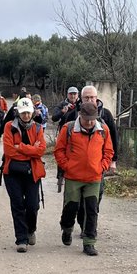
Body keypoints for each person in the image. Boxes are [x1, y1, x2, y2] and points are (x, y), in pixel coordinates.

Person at [55, 102, 115, 256]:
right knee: (71, 207)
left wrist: (102, 166)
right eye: (86, 119)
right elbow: (59, 150)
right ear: (80, 115)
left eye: (92, 119)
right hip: (73, 177)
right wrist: (67, 166)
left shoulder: (103, 130)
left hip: (94, 178)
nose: (89, 122)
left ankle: (89, 242)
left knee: (91, 209)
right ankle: (67, 229)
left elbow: (108, 151)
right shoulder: (68, 128)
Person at [59, 85, 119, 228]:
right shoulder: (72, 115)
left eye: (92, 97)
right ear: (81, 98)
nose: (89, 100)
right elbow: (61, 144)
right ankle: (79, 222)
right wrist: (65, 166)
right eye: (86, 97)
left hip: (96, 167)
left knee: (94, 199)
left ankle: (88, 226)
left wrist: (111, 162)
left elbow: (113, 139)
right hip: (74, 168)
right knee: (75, 202)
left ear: (96, 98)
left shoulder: (106, 115)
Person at [2, 98, 47, 252]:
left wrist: (20, 147)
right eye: (23, 113)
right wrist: (31, 150)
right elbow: (9, 151)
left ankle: (31, 229)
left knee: (32, 205)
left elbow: (41, 150)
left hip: (32, 171)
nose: (26, 115)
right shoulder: (9, 127)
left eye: (28, 112)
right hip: (12, 172)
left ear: (32, 113)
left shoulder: (38, 128)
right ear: (18, 113)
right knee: (18, 205)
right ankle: (21, 239)